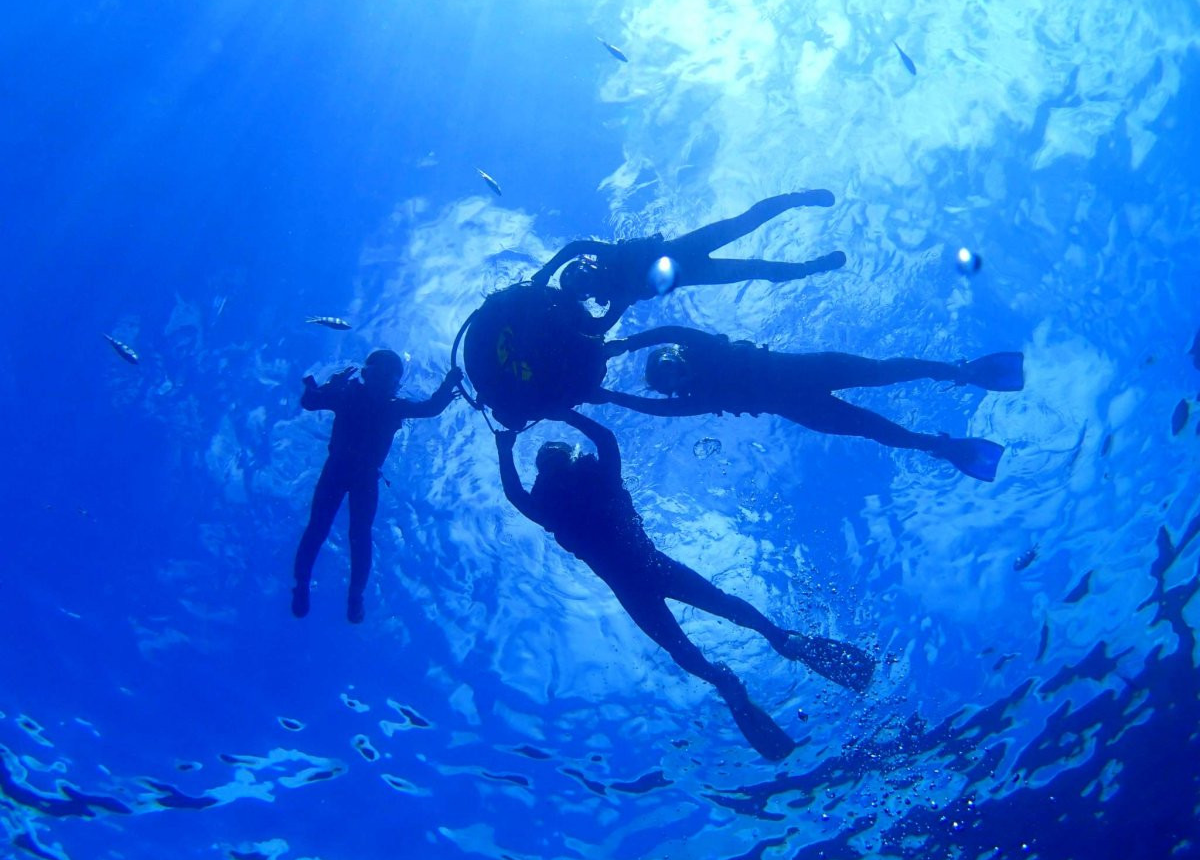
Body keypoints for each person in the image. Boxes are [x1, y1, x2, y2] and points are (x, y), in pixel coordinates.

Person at [495, 409, 873, 760]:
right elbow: (606, 440)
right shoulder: (599, 481)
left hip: (632, 585)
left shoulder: (550, 509)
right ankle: (779, 640)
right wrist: (563, 412)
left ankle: (726, 675)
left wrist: (504, 446)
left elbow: (515, 492)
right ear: (568, 459)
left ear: (543, 471)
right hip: (655, 567)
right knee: (721, 607)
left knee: (683, 645)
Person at [595, 327, 1024, 482]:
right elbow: (661, 410)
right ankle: (942, 446)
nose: (677, 382)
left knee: (881, 371)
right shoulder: (698, 399)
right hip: (804, 408)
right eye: (670, 384)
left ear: (677, 357)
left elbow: (669, 328)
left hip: (807, 371)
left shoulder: (704, 348)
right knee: (876, 429)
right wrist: (612, 396)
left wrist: (627, 343)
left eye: (670, 368)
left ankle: (959, 372)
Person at [292, 351, 461, 623]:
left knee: (343, 532)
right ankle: (317, 588)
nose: (384, 379)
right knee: (335, 531)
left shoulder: (372, 401)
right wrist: (325, 387)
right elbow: (310, 401)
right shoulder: (354, 397)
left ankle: (345, 593)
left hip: (355, 475)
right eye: (381, 372)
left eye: (389, 375)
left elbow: (430, 408)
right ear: (367, 374)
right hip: (351, 474)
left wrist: (449, 384)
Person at [532, 192, 846, 331]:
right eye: (580, 286)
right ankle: (810, 268)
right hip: (694, 271)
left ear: (587, 268)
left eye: (580, 275)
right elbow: (600, 327)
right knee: (756, 268)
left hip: (685, 250)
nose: (585, 282)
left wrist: (546, 272)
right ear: (585, 296)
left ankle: (797, 199)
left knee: (745, 222)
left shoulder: (609, 258)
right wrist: (568, 322)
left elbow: (576, 245)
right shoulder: (616, 296)